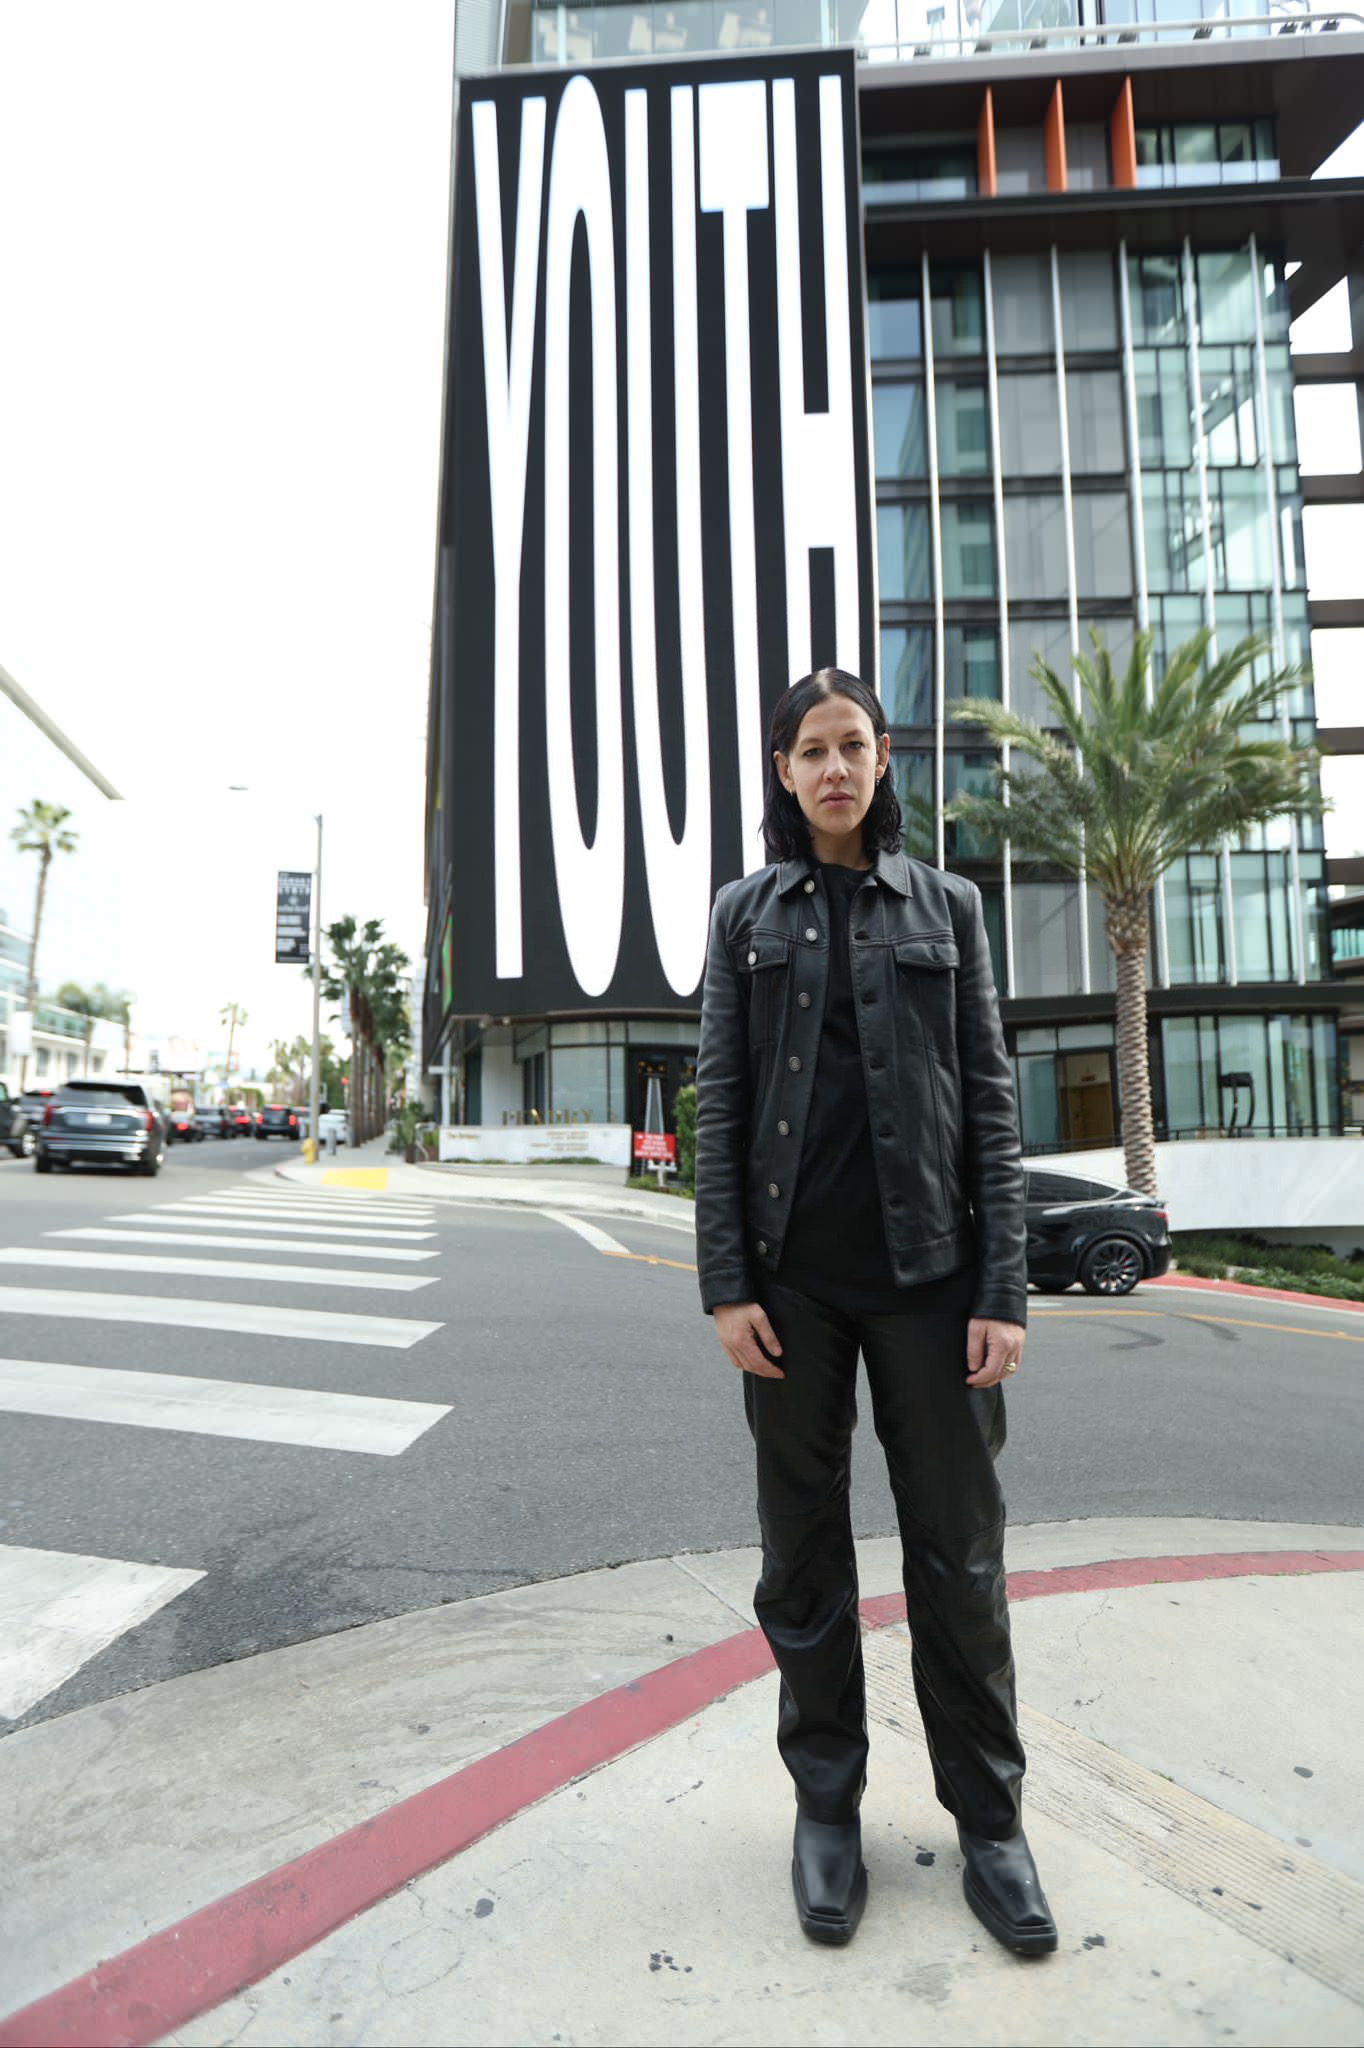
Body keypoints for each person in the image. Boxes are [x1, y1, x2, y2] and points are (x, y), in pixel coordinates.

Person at [694, 666, 1056, 1958]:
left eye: (853, 745)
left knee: (958, 1559)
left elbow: (994, 1105)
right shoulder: (746, 915)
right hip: (793, 1286)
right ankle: (827, 1812)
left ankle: (992, 1827)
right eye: (810, 751)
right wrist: (727, 1282)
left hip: (936, 1277)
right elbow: (723, 1108)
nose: (835, 768)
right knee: (802, 1561)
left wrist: (1002, 1289)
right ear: (784, 774)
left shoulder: (947, 906)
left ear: (883, 756)